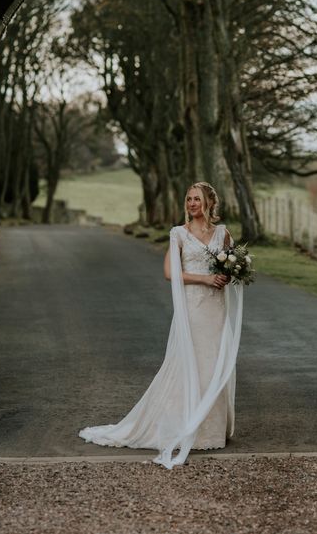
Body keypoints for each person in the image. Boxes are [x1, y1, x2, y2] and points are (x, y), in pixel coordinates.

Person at [78, 181, 244, 469]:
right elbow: (170, 272)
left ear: (209, 203)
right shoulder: (178, 234)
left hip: (216, 309)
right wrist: (205, 279)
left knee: (212, 363)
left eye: (197, 199)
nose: (192, 203)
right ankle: (184, 425)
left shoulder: (222, 233)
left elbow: (227, 267)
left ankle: (211, 431)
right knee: (191, 363)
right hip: (193, 307)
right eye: (188, 198)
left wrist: (225, 277)